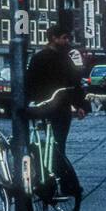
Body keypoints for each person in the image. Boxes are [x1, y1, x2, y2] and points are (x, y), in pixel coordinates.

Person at [24, 24, 90, 197]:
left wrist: (80, 104)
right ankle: (63, 183)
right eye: (64, 38)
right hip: (48, 107)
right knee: (54, 146)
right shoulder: (40, 58)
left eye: (68, 38)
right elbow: (31, 83)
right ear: (53, 37)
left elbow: (73, 83)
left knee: (59, 145)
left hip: (60, 108)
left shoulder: (64, 58)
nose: (67, 41)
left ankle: (58, 180)